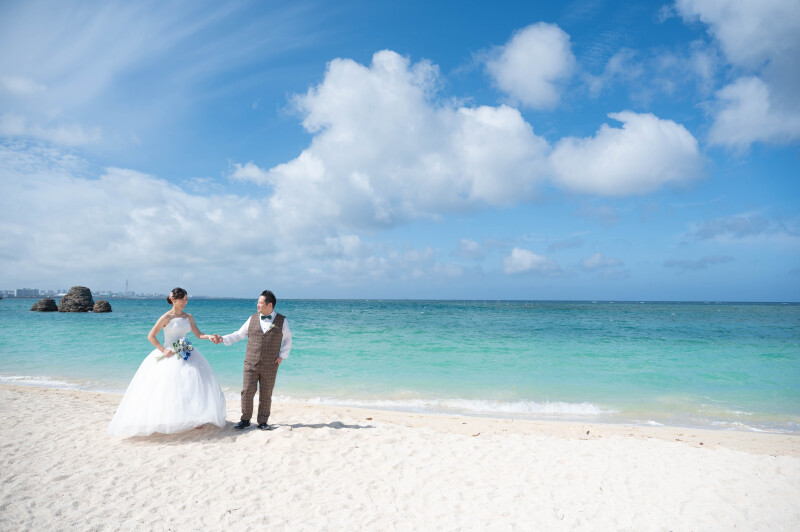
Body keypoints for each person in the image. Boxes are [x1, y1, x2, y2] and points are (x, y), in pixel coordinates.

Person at [108, 288, 226, 438]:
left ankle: (195, 418)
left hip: (186, 353)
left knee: (191, 384)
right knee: (168, 388)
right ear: (173, 300)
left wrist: (209, 336)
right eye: (182, 299)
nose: (184, 302)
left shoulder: (188, 317)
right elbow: (151, 336)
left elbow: (198, 334)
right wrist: (163, 350)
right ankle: (168, 417)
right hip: (170, 354)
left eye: (186, 299)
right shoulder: (166, 318)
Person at [211, 289, 291, 431]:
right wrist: (223, 338)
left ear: (270, 305)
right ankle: (245, 420)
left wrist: (281, 357)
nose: (257, 305)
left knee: (266, 393)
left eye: (260, 303)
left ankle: (263, 422)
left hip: (270, 364)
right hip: (250, 362)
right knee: (247, 391)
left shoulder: (282, 320)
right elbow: (239, 334)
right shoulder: (252, 318)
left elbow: (287, 340)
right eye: (258, 302)